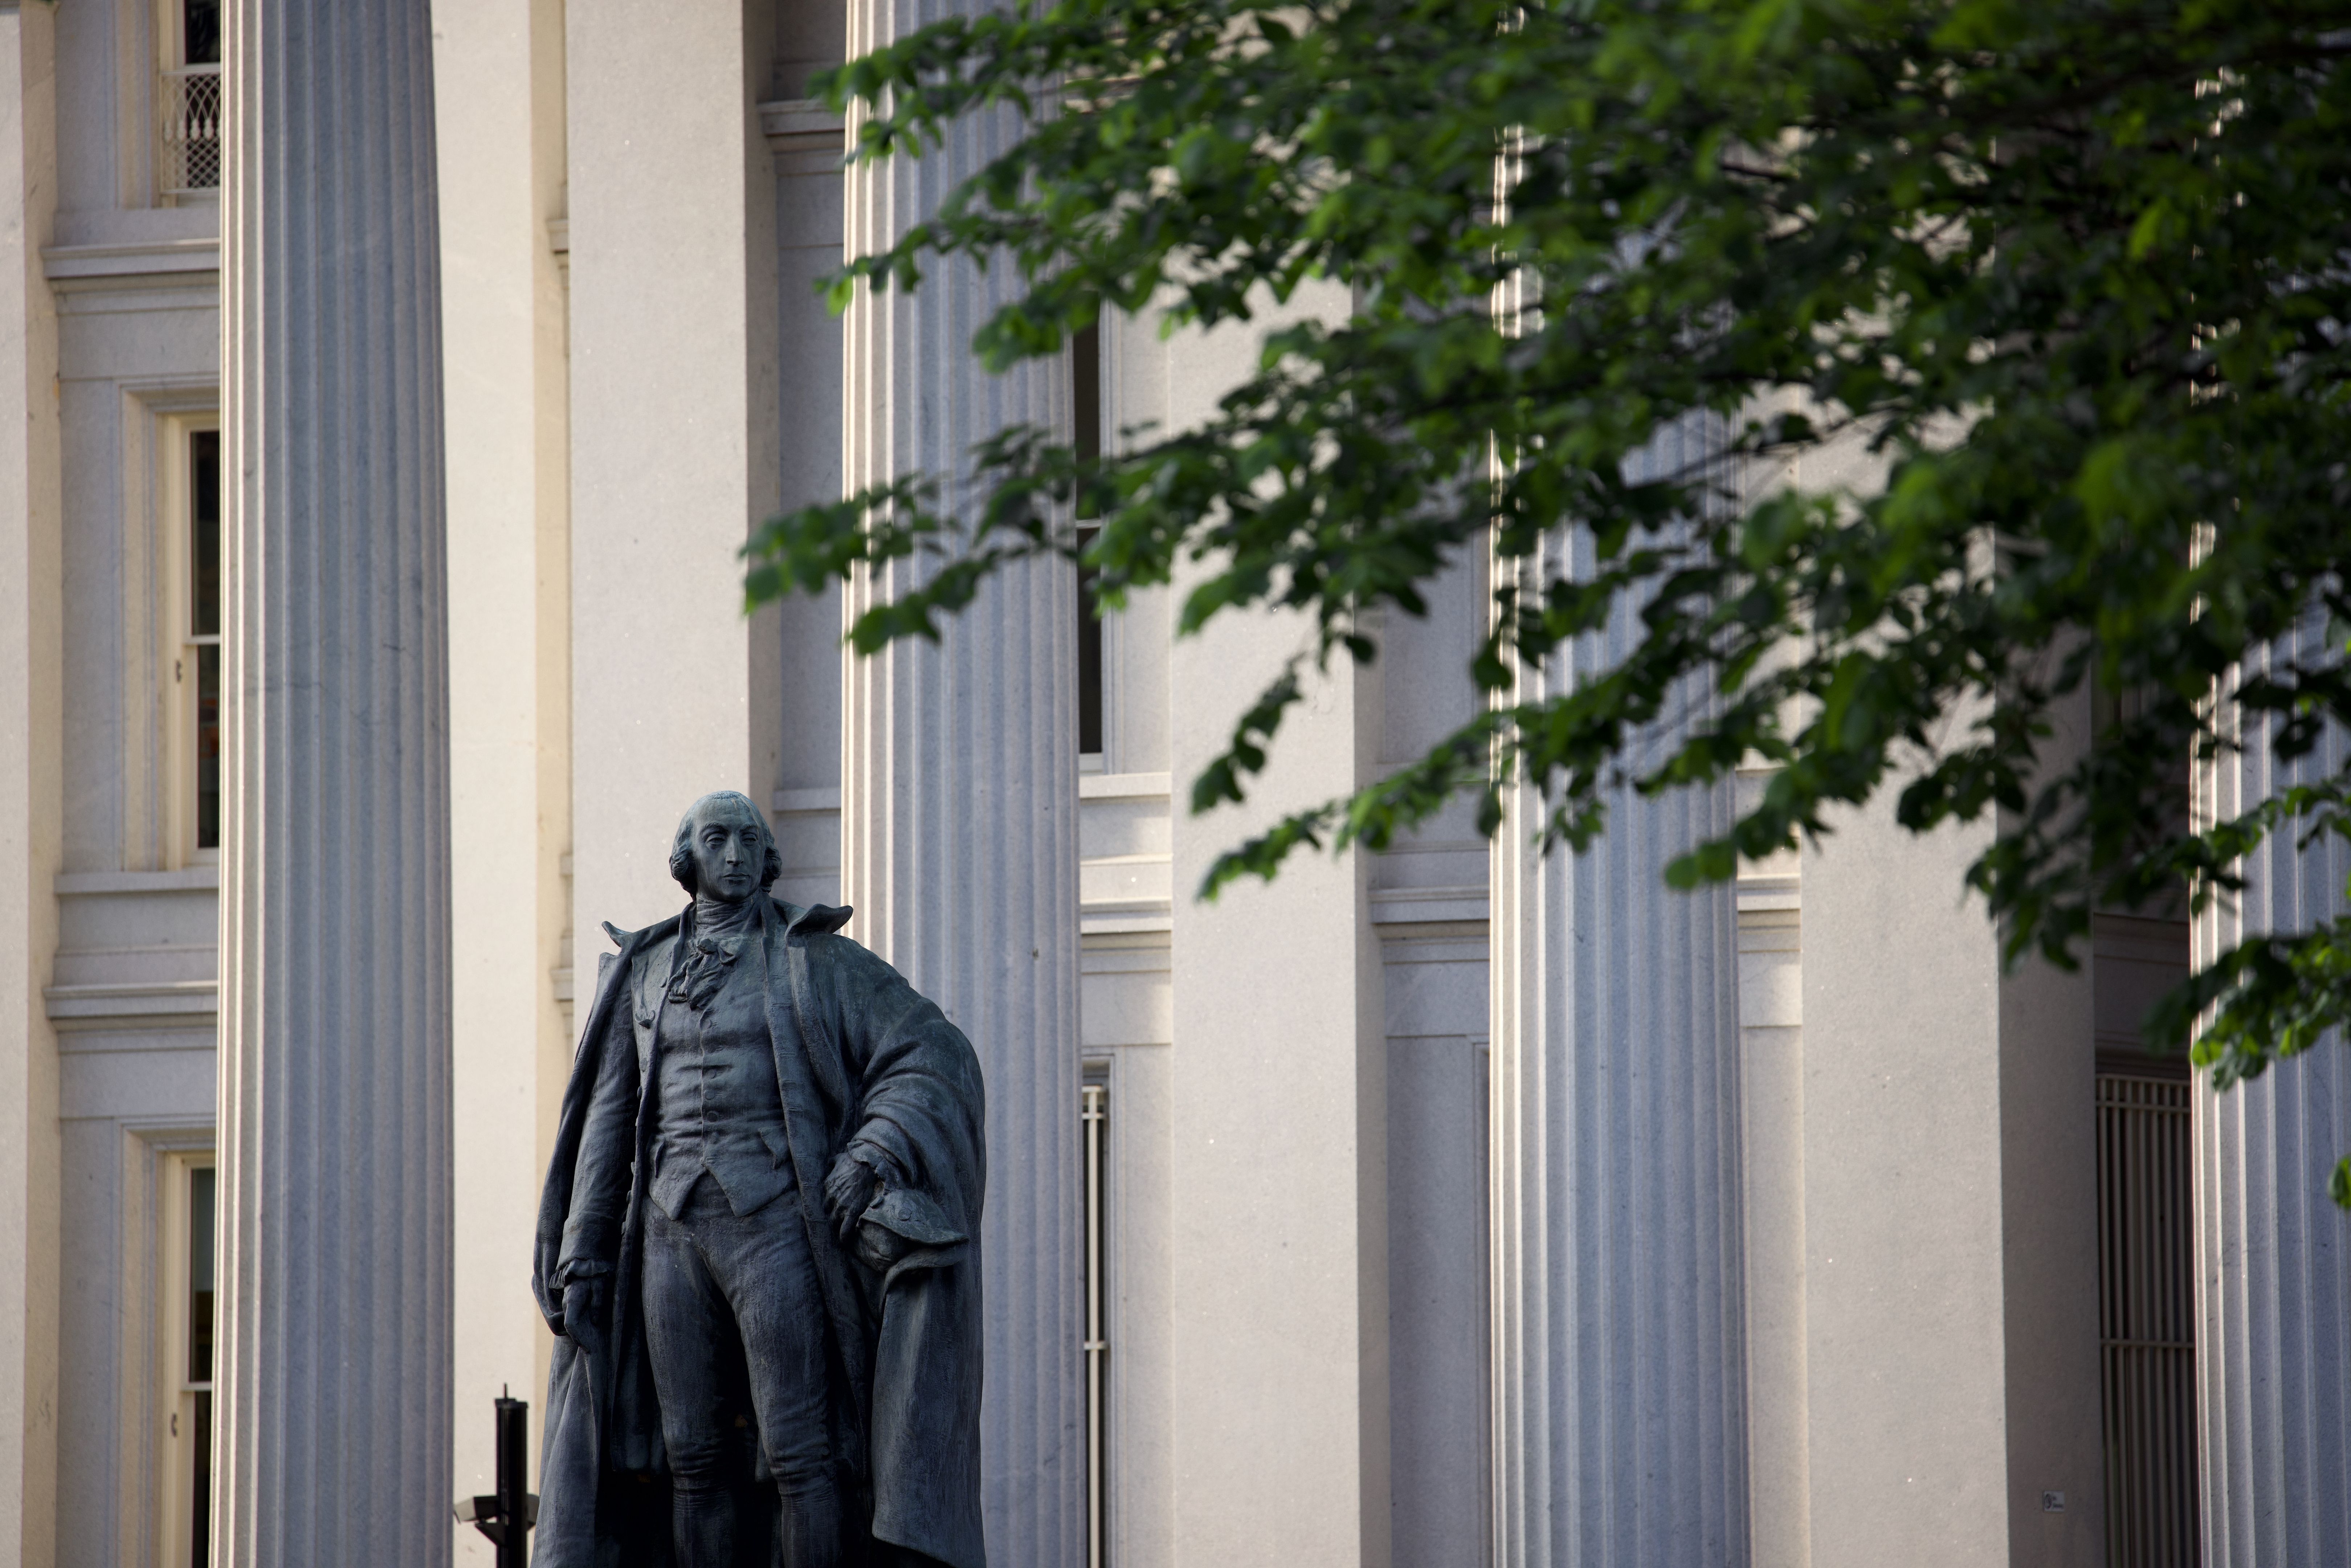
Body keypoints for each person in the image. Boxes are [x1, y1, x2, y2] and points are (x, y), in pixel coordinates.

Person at [531, 790, 985, 1568]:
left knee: (800, 1450)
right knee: (691, 1456)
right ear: (688, 858)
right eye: (718, 840)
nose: (737, 855)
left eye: (750, 840)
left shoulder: (816, 959)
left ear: (769, 858)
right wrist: (583, 1254)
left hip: (775, 1225)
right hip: (668, 1231)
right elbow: (607, 1124)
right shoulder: (643, 971)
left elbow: (931, 1049)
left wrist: (872, 1151)